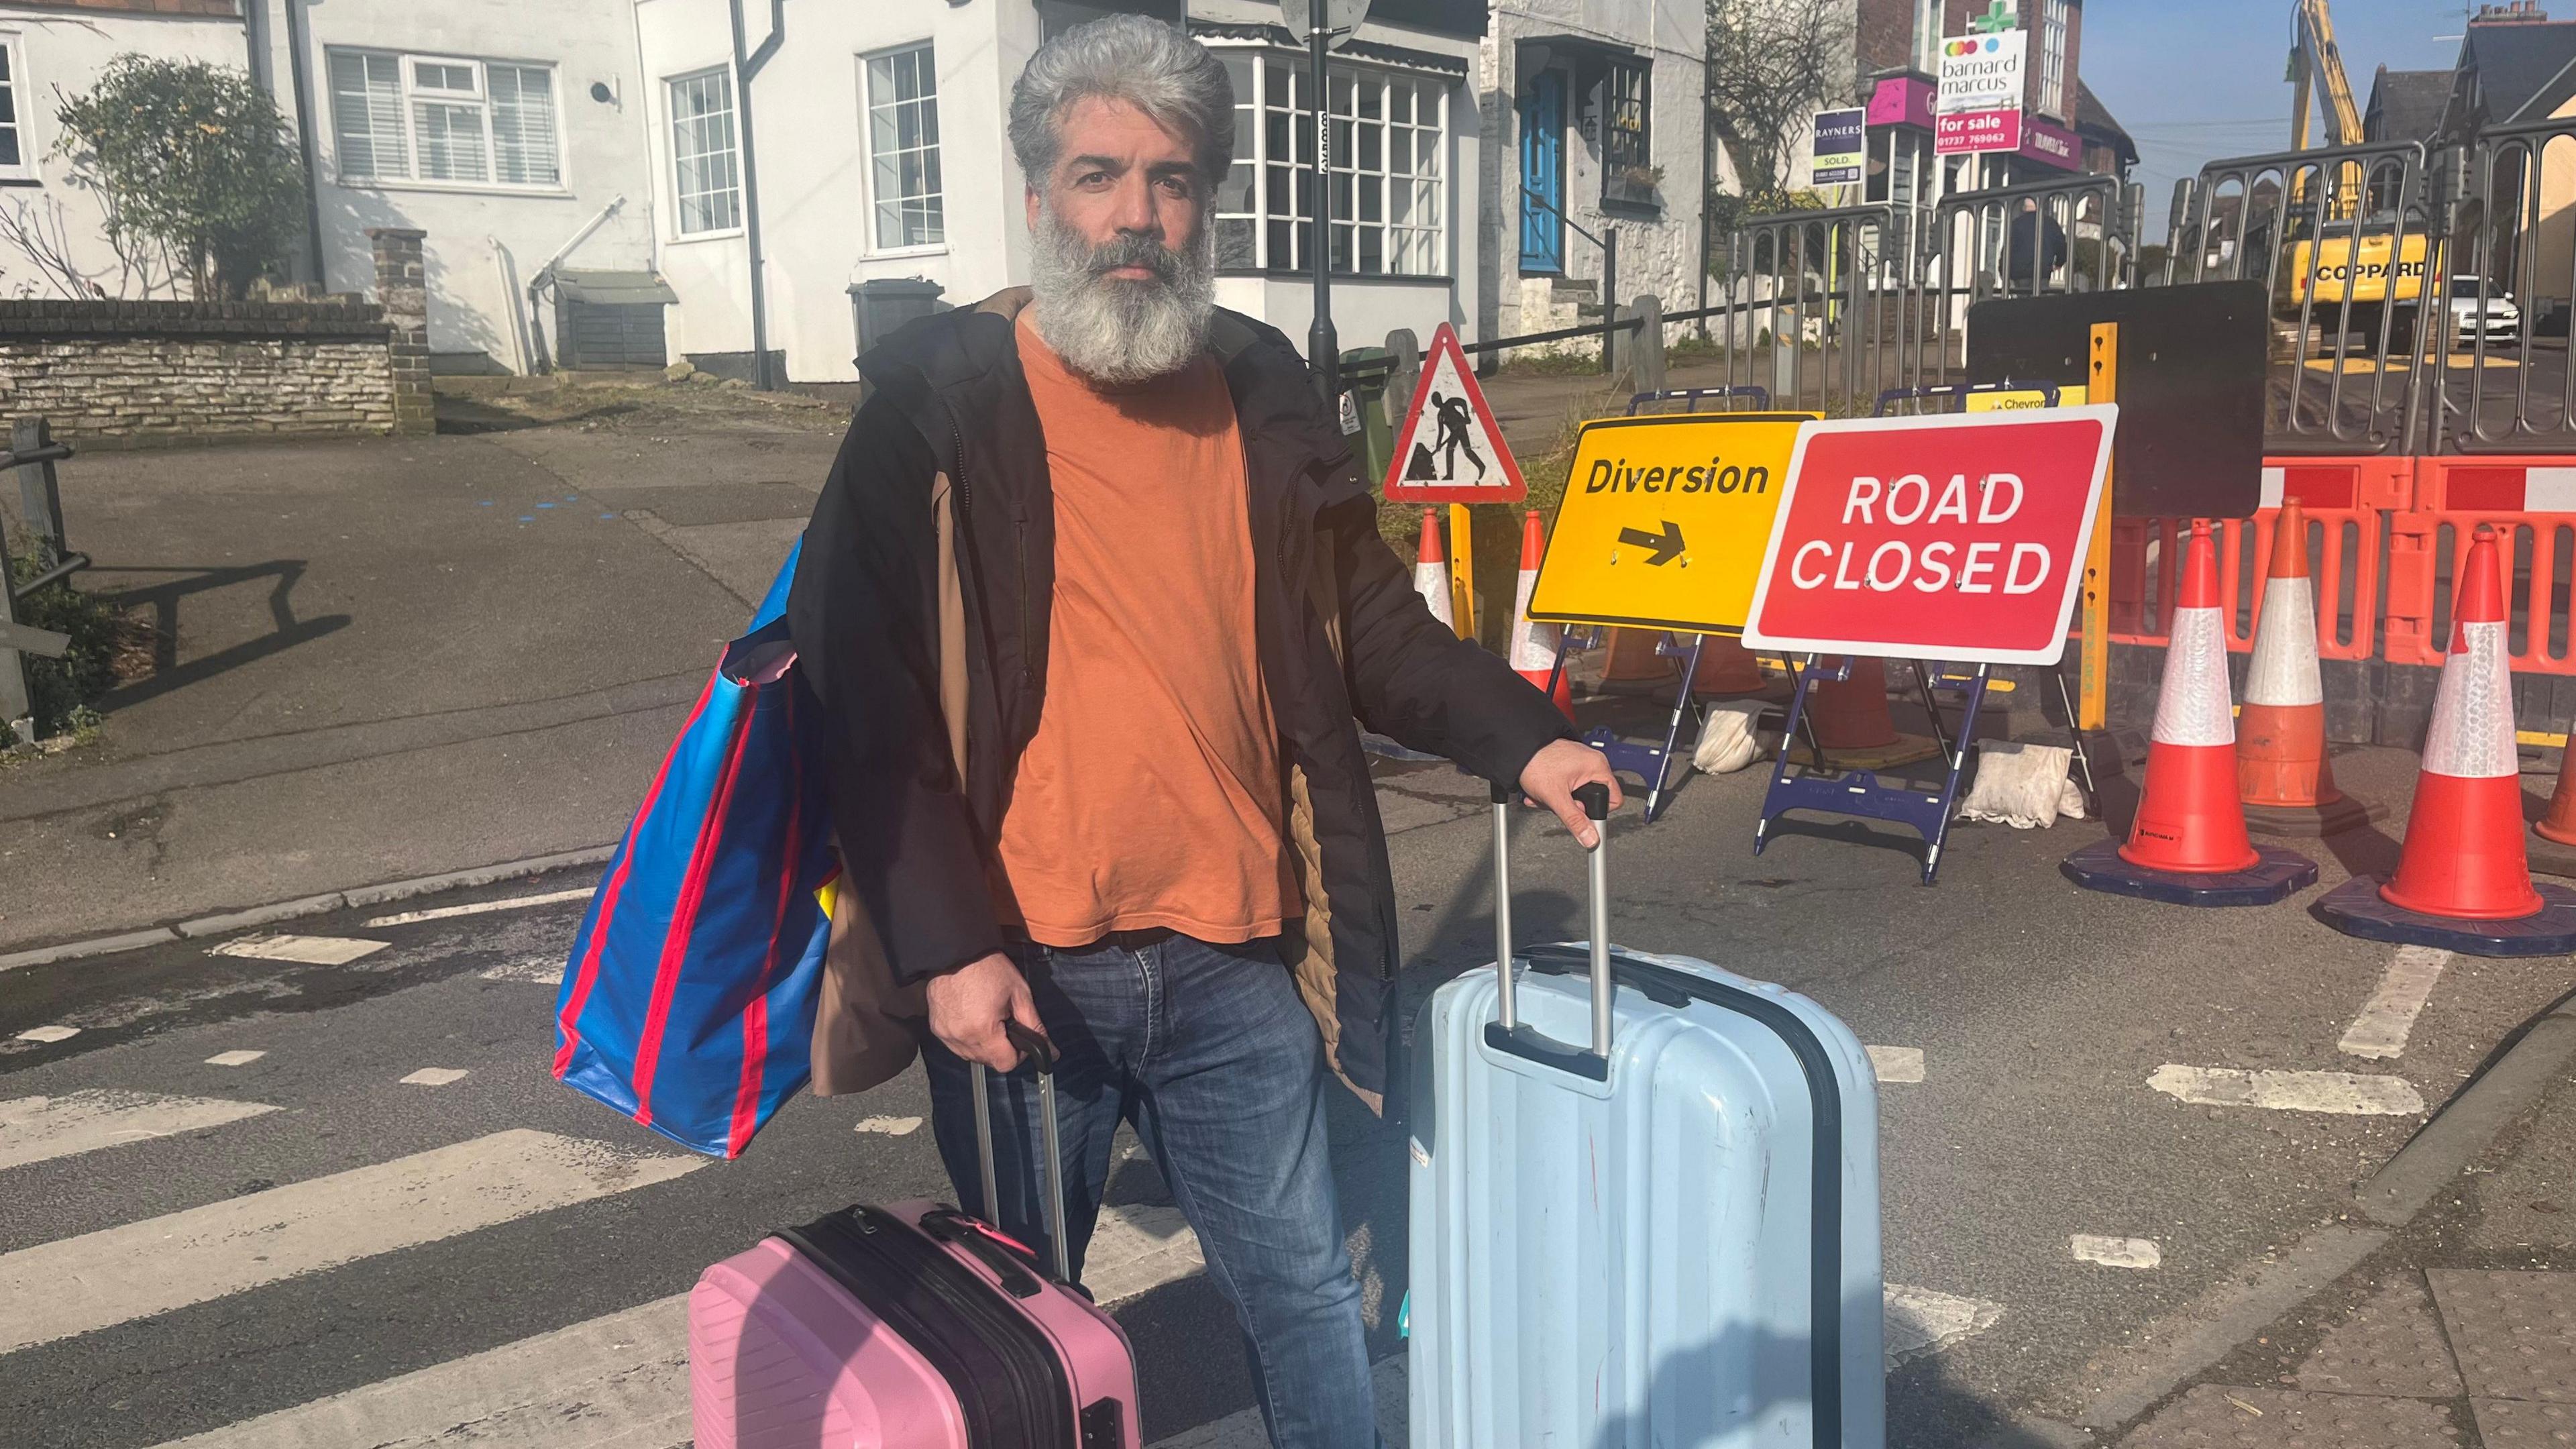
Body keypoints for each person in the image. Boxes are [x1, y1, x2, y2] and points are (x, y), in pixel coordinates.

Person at [786, 15, 1617, 1449]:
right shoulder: (936, 400)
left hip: (1236, 961)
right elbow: (868, 700)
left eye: (1173, 182)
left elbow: (1370, 625)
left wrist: (1521, 734)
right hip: (1022, 966)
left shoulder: (1258, 382)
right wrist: (948, 949)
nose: (1138, 217)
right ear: (1039, 191)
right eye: (1100, 175)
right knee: (1023, 1323)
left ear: (1207, 202)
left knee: (1301, 1289)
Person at [1431, 390, 1487, 482]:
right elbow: (1441, 432)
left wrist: (1466, 416)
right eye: (1435, 402)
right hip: (1454, 433)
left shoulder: (1450, 403)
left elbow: (1463, 402)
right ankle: (1450, 475)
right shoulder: (1440, 416)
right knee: (1449, 451)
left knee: (1467, 452)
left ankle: (1482, 467)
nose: (1436, 403)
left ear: (1440, 399)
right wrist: (1438, 445)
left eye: (1436, 401)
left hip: (1461, 428)